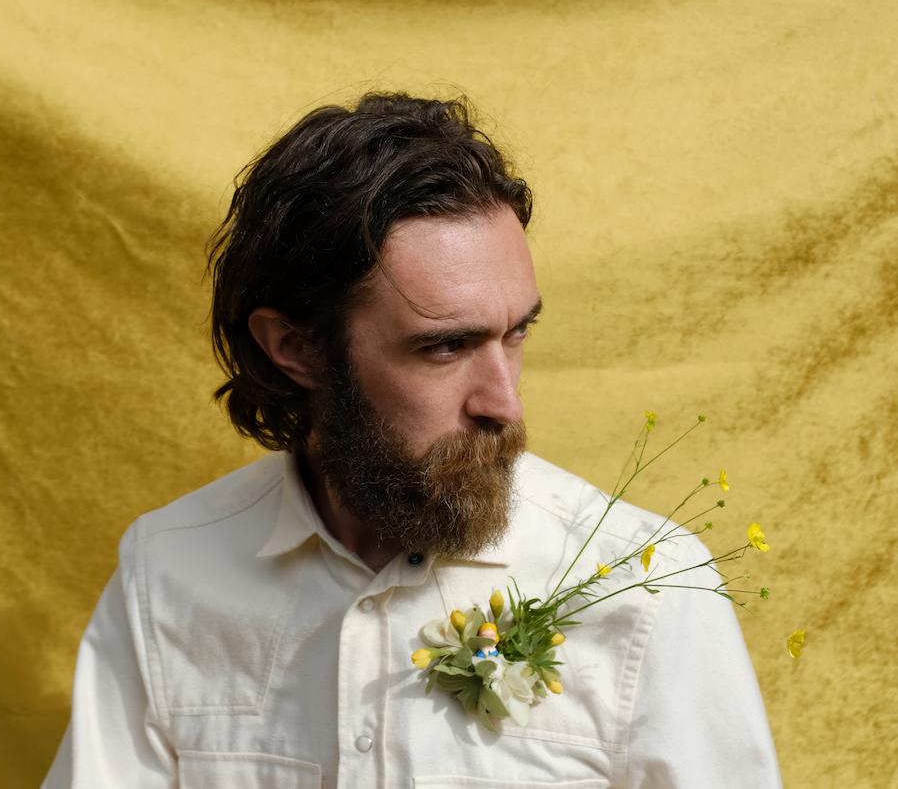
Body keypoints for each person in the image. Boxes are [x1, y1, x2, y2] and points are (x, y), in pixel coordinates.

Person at [41, 94, 783, 788]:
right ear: (295, 348)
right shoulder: (167, 572)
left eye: (516, 333)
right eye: (445, 346)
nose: (505, 403)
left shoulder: (649, 588)